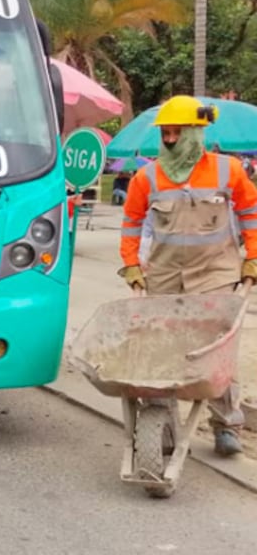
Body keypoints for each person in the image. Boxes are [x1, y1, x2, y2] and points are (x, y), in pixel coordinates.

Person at [118, 94, 257, 457]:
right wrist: (131, 263)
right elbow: (132, 223)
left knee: (216, 349)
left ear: (196, 133)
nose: (169, 140)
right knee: (163, 350)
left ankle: (226, 424)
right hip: (165, 275)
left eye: (177, 133)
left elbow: (251, 211)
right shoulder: (146, 177)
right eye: (165, 133)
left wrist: (253, 257)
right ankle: (161, 422)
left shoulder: (228, 170)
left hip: (216, 272)